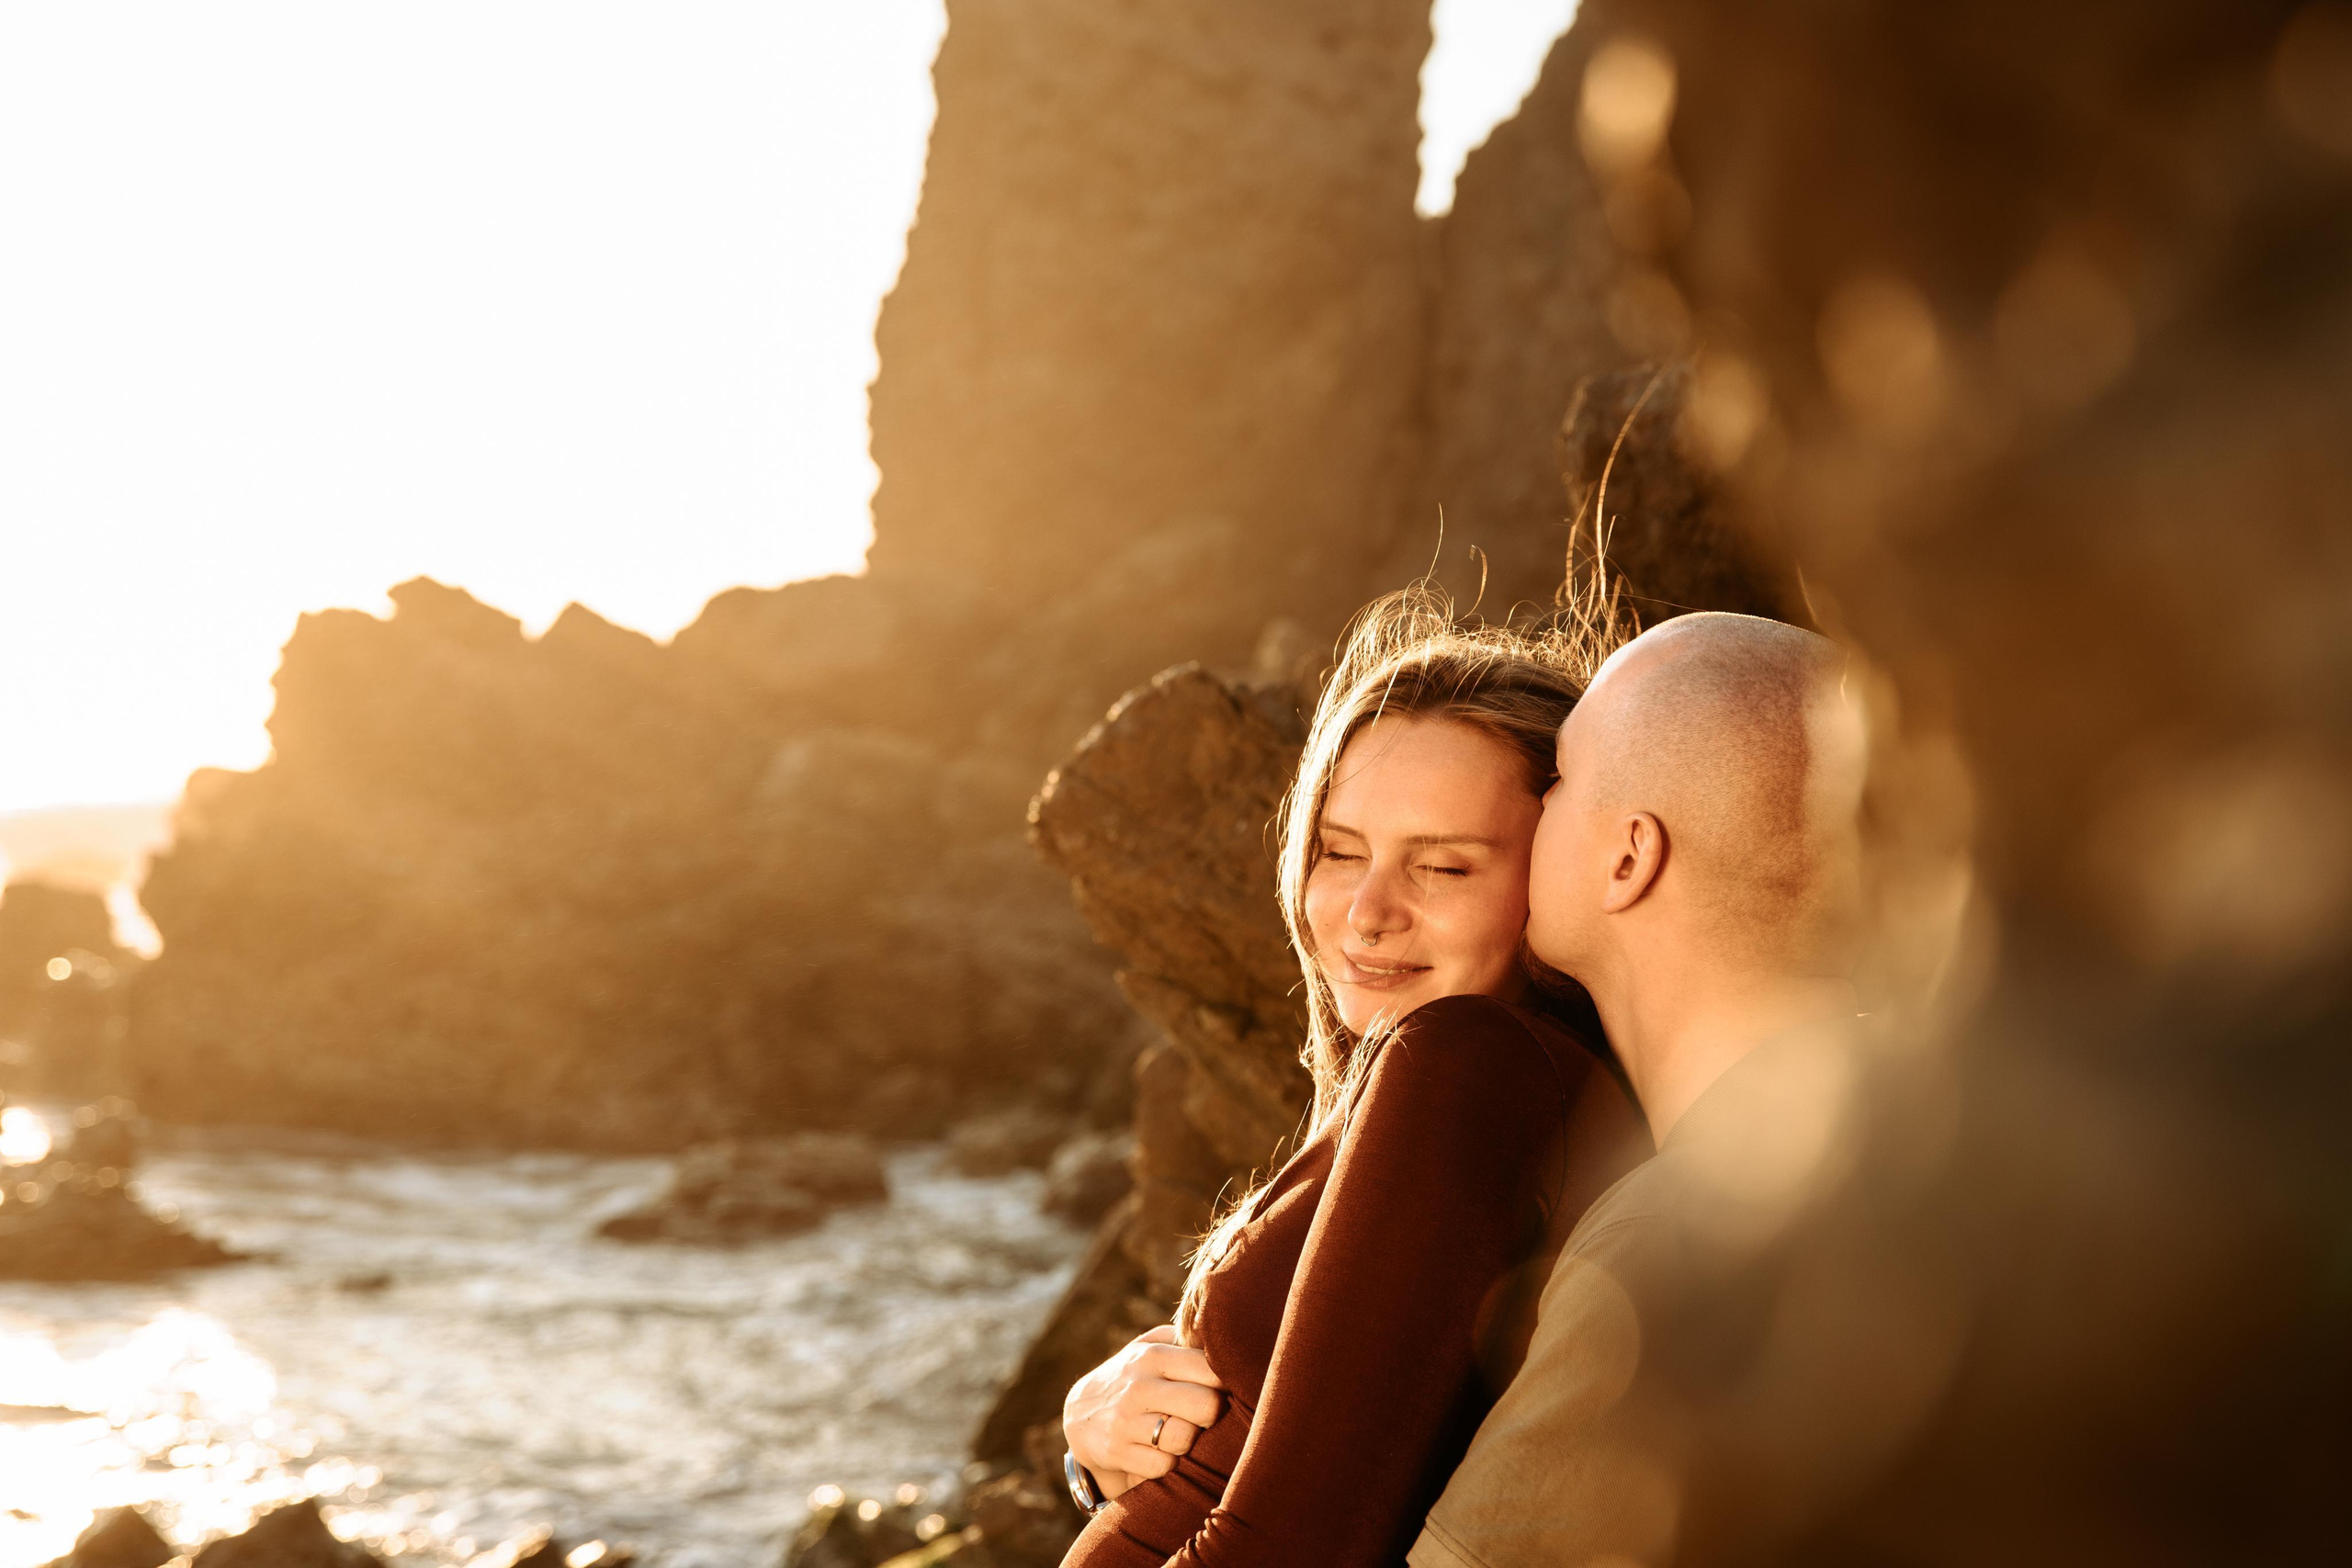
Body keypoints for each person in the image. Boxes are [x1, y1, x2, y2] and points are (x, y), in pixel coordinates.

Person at [1057, 590, 1653, 1567]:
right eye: (1339, 852)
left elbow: (1289, 1550)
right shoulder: (1473, 1083)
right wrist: (1101, 1449)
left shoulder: (1471, 1065)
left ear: (1559, 874)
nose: (1365, 914)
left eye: (1443, 868)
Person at [1407, 611, 1870, 1568]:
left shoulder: (1679, 1240)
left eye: (1560, 780)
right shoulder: (1957, 1150)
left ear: (1629, 857)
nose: (1531, 811)